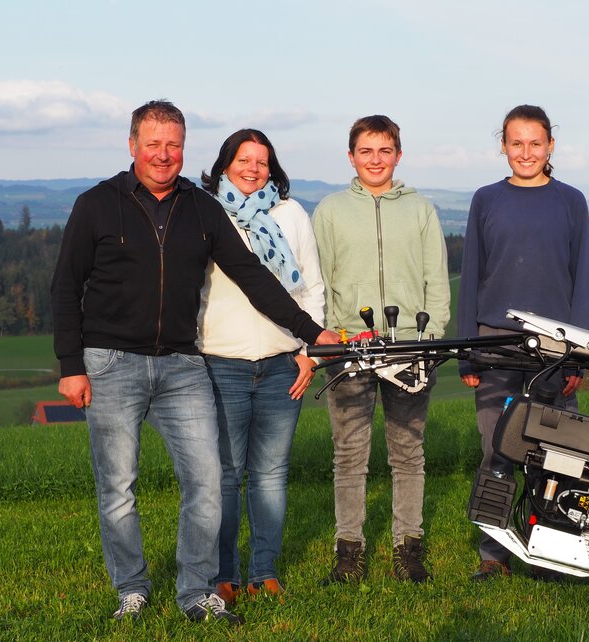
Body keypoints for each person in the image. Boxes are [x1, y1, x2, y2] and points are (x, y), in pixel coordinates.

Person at [50, 100, 340, 625]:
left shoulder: (201, 208)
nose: (164, 155)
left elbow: (253, 277)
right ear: (133, 145)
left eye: (174, 145)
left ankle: (197, 591)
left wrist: (312, 332)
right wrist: (71, 365)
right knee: (119, 487)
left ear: (185, 147)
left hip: (184, 364)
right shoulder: (96, 203)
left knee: (207, 482)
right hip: (111, 362)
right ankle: (132, 589)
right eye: (153, 144)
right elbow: (66, 287)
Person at [457, 104, 589, 581]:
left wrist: (581, 352)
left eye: (536, 143)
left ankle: (553, 551)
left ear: (551, 146)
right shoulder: (486, 199)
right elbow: (470, 275)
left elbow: (583, 281)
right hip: (493, 342)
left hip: (556, 345)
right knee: (496, 448)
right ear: (503, 146)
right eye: (517, 143)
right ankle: (493, 555)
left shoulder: (571, 201)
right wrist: (466, 350)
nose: (526, 152)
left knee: (557, 452)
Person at [313, 115, 450, 584]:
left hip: (410, 345)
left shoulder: (421, 210)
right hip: (351, 347)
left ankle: (407, 548)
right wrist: (326, 336)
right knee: (349, 455)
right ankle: (348, 552)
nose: (376, 159)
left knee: (408, 452)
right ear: (351, 156)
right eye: (366, 151)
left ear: (398, 154)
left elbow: (437, 280)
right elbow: (322, 280)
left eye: (385, 150)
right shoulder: (330, 210)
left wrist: (431, 342)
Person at [197, 129, 325, 605]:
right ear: (225, 164)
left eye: (262, 161)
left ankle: (264, 570)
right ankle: (223, 574)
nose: (253, 169)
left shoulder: (290, 215)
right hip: (222, 362)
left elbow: (312, 287)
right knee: (226, 475)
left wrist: (309, 353)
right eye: (243, 159)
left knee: (271, 473)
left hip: (281, 364)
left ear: (273, 169)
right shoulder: (206, 213)